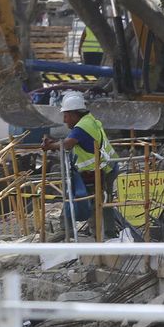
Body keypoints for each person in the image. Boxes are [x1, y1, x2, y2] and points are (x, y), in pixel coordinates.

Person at [41, 90, 119, 237]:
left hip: (103, 169)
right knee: (103, 201)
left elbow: (68, 144)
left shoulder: (81, 127)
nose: (64, 120)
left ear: (73, 114)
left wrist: (50, 146)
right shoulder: (88, 120)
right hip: (108, 167)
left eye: (65, 116)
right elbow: (71, 140)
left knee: (95, 200)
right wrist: (54, 143)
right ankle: (106, 233)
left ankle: (88, 233)